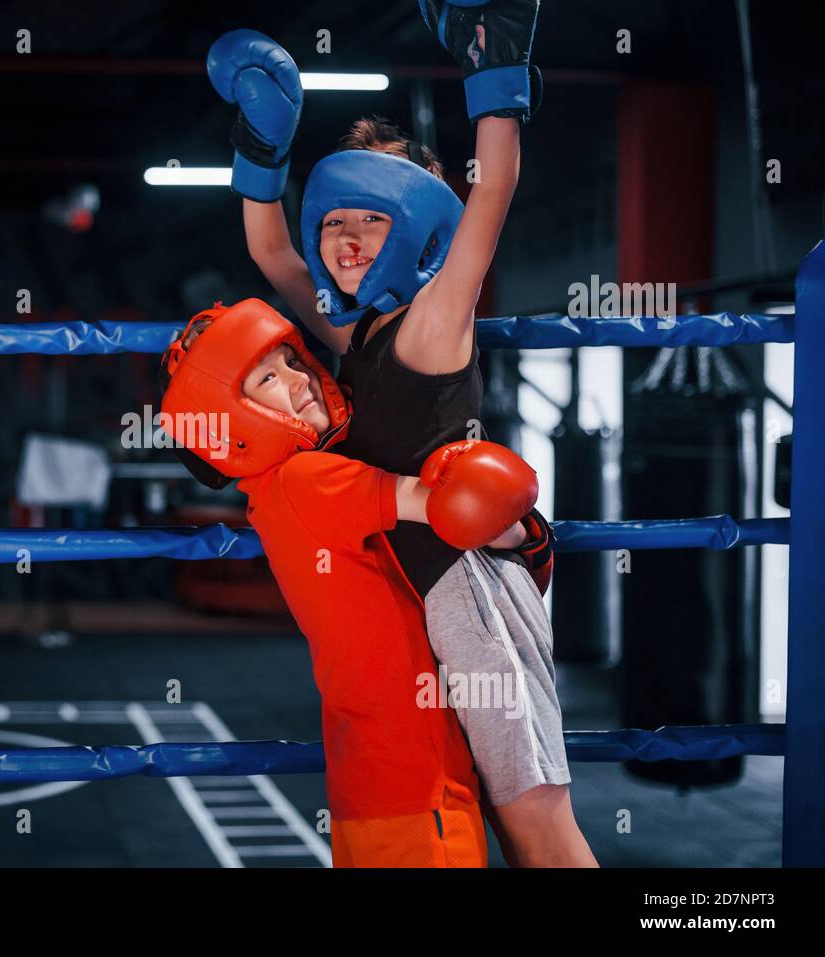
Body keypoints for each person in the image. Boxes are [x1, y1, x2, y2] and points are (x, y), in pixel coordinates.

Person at [208, 5, 598, 866]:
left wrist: (495, 74)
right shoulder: (358, 336)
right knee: (489, 817)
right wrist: (263, 140)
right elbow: (273, 254)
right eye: (338, 218)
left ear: (419, 227)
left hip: (471, 594)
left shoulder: (433, 321)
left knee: (534, 818)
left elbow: (490, 193)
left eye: (374, 218)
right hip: (414, 601)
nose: (347, 238)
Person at [159, 297, 538, 867]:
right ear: (230, 417)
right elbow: (462, 504)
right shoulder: (309, 479)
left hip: (371, 782)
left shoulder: (275, 494)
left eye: (291, 359)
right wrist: (522, 527)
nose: (299, 378)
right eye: (266, 377)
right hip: (416, 781)